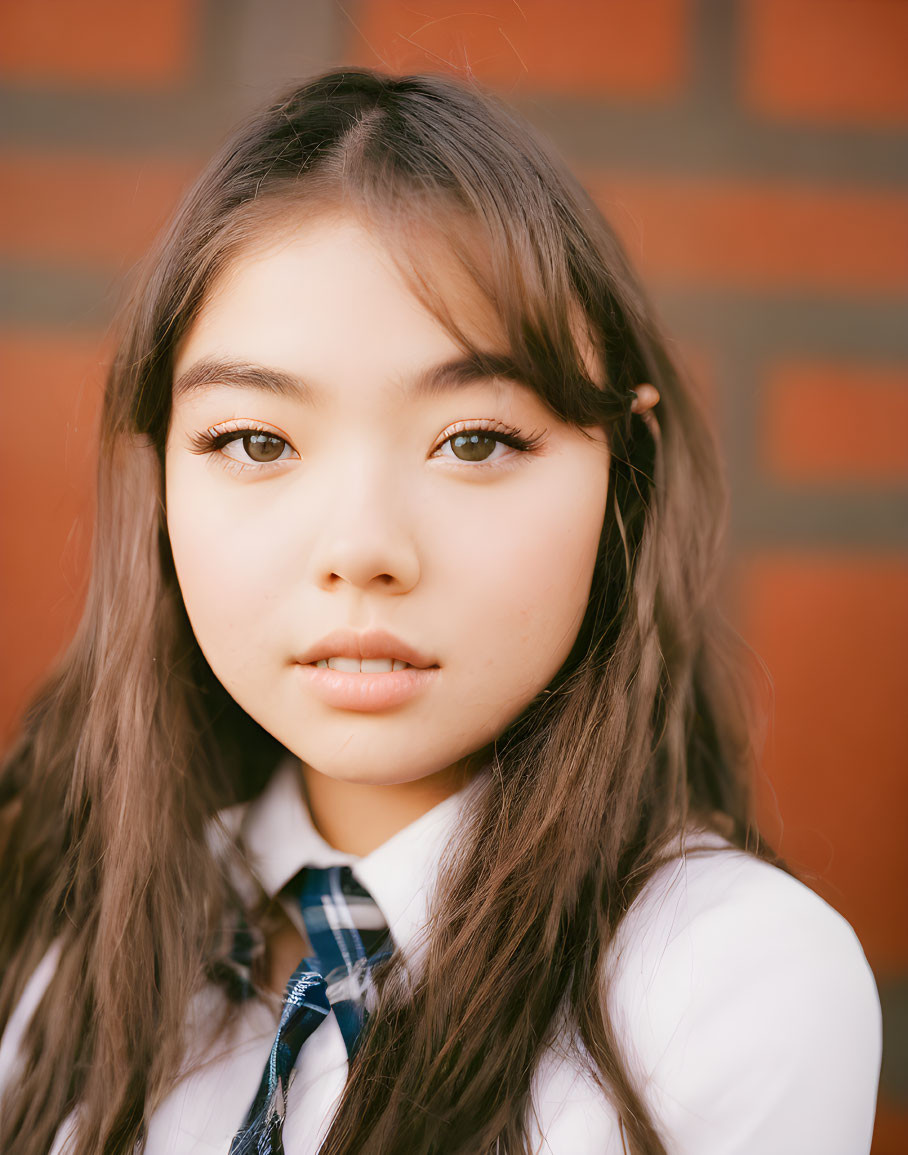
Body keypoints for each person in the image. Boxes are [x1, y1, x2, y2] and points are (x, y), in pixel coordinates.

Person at [0, 68, 881, 1155]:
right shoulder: (75, 943)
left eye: (474, 441)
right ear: (160, 479)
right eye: (255, 442)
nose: (362, 548)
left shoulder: (725, 980)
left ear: (624, 470)